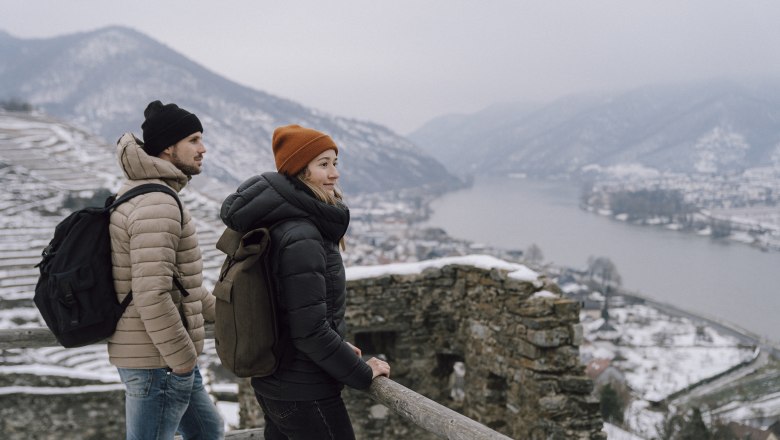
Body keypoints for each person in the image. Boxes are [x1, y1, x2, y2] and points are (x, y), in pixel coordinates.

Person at [220, 124, 391, 439]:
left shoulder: (281, 222)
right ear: (300, 172)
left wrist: (337, 346)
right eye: (323, 164)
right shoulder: (302, 234)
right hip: (305, 390)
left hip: (277, 382)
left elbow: (291, 313)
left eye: (335, 163)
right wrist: (364, 374)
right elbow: (309, 330)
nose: (334, 173)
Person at [109, 100, 224, 439]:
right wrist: (183, 360)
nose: (203, 149)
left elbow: (180, 283)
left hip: (163, 356)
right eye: (193, 140)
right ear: (168, 148)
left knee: (208, 431)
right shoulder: (157, 202)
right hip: (159, 361)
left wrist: (231, 313)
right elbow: (152, 293)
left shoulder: (150, 194)